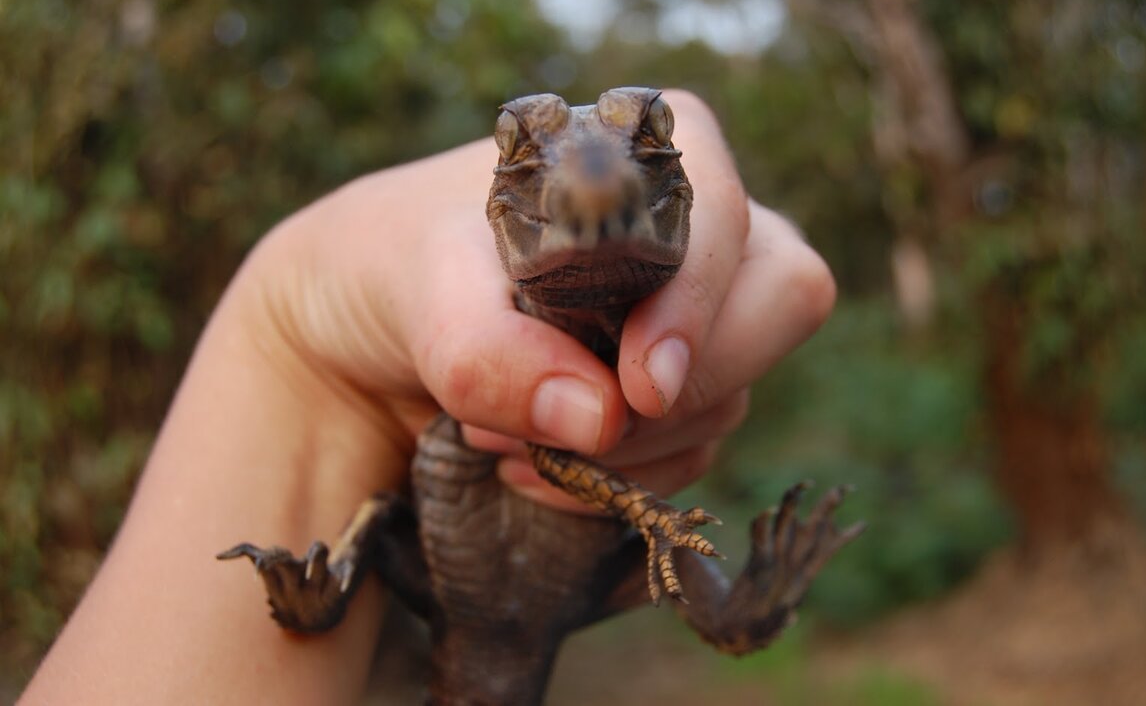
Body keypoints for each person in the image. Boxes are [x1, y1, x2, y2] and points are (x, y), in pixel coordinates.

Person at [20, 90, 835, 704]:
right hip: (489, 566)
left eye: (648, 137)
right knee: (379, 522)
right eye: (522, 145)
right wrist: (292, 324)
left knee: (389, 525)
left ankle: (735, 614)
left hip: (557, 567)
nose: (592, 177)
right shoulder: (491, 302)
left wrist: (290, 344)